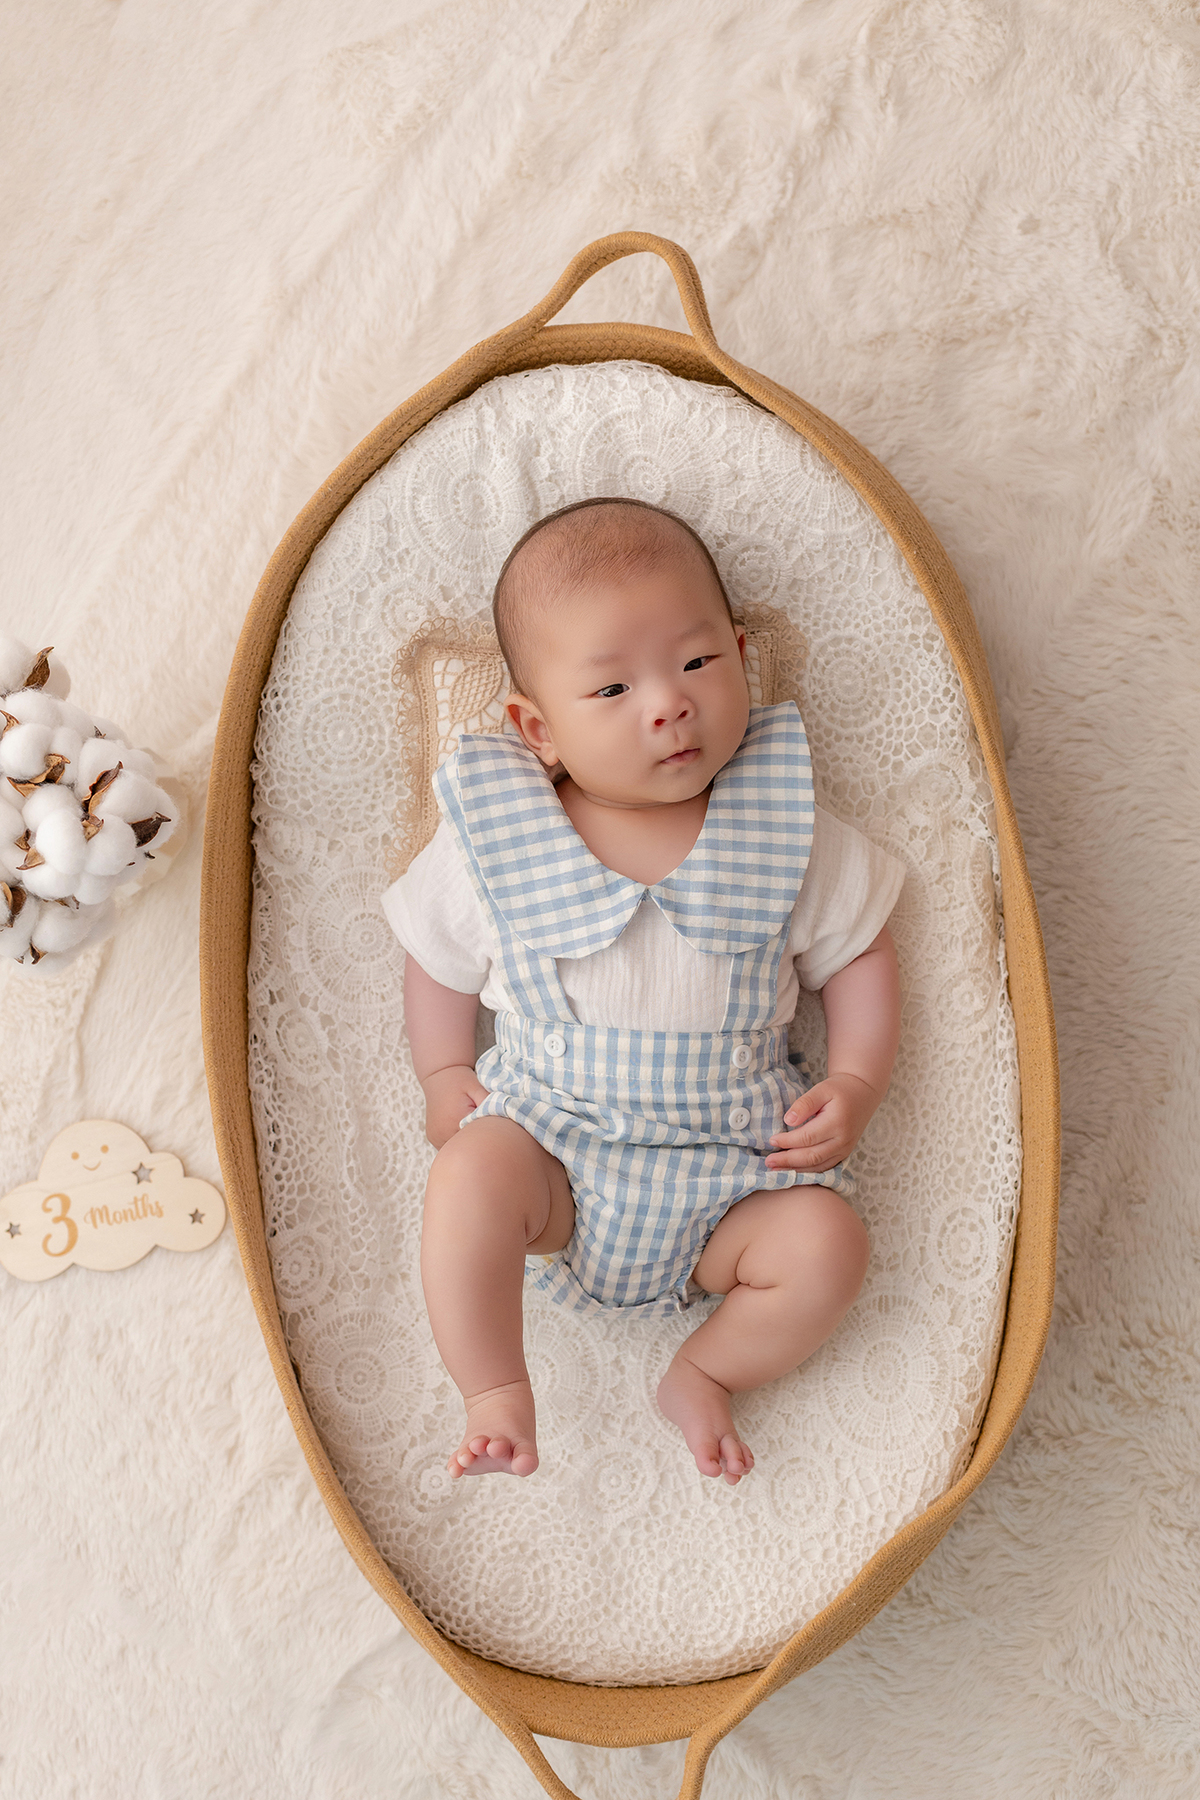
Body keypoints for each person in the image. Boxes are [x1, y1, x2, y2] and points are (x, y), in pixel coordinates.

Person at [383, 498, 903, 1486]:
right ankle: (495, 1390)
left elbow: (862, 951)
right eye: (613, 687)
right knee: (465, 1180)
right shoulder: (502, 836)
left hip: (735, 1183)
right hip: (555, 1159)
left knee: (829, 1244)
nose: (667, 703)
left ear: (743, 657)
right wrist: (444, 1068)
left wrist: (858, 1077)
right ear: (537, 728)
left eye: (697, 664)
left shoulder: (783, 826)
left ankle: (705, 1370)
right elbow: (433, 953)